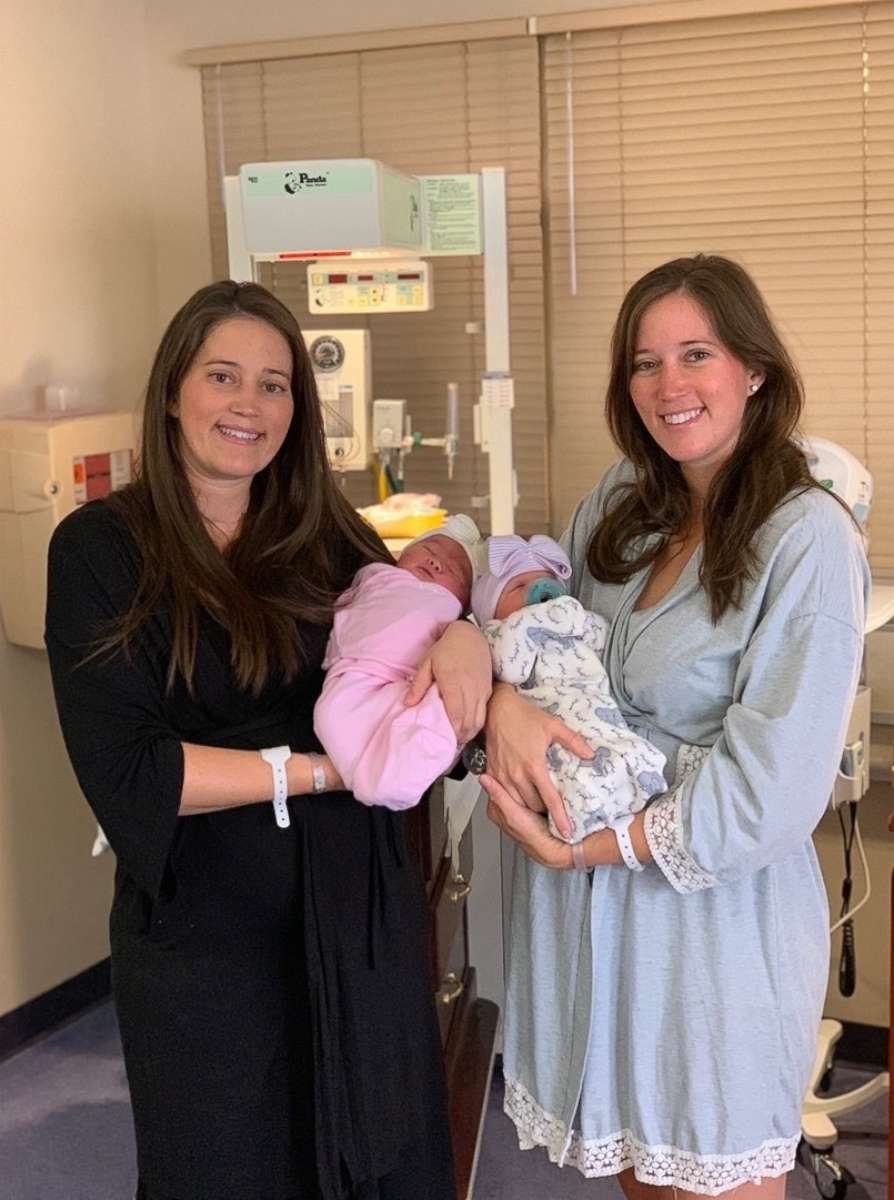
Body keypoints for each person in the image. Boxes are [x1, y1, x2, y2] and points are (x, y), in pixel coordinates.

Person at [44, 280, 489, 1200]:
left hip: (354, 917)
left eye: (276, 384)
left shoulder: (324, 535)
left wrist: (466, 633)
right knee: (225, 1168)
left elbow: (420, 617)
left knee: (378, 1164)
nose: (250, 404)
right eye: (223, 376)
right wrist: (334, 769)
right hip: (208, 938)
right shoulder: (100, 550)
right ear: (175, 391)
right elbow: (136, 772)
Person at [479, 255, 869, 1199]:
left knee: (715, 1173)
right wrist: (501, 704)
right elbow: (535, 642)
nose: (670, 386)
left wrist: (586, 849)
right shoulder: (618, 504)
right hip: (596, 927)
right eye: (645, 363)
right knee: (642, 1179)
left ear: (754, 369)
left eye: (697, 354)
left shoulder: (806, 538)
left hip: (711, 927)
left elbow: (768, 797)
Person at [469, 533, 667, 848]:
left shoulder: (572, 624)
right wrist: (534, 620)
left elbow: (603, 638)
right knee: (572, 769)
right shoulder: (498, 633)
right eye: (519, 587)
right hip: (550, 718)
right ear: (490, 610)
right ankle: (578, 820)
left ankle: (644, 796)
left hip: (595, 708)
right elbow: (510, 667)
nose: (539, 591)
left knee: (627, 752)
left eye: (547, 581)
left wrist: (570, 614)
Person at [314, 514, 484, 809]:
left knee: (434, 716)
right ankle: (372, 776)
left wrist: (467, 633)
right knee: (329, 715)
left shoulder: (453, 616)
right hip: (358, 672)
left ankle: (396, 781)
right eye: (429, 551)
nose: (435, 563)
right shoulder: (373, 576)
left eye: (453, 571)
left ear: (466, 599)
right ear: (401, 554)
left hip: (410, 685)